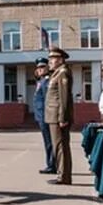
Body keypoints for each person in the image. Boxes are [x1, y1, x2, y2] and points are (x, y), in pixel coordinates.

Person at [44, 46, 73, 186]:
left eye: (53, 58)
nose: (50, 61)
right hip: (53, 115)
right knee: (58, 146)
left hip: (58, 116)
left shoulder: (63, 73)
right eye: (49, 58)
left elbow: (64, 97)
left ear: (60, 59)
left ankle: (64, 176)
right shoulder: (56, 73)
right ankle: (62, 174)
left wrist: (63, 117)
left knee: (60, 146)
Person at [33, 58, 55, 175]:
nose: (40, 69)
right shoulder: (41, 81)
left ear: (47, 68)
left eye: (42, 67)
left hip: (46, 116)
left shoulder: (47, 81)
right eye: (38, 68)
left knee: (49, 142)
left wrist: (46, 116)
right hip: (41, 116)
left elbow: (48, 100)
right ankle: (50, 163)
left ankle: (51, 165)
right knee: (47, 142)